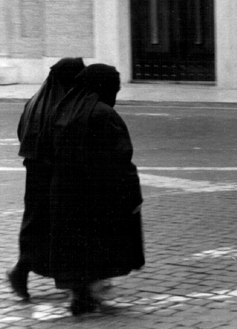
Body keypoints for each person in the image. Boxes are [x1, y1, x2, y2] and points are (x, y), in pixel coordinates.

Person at [43, 64, 144, 315]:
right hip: (99, 195)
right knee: (99, 244)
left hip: (64, 193)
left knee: (76, 247)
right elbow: (120, 159)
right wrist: (132, 195)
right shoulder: (103, 114)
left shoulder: (61, 109)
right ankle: (90, 293)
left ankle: (81, 293)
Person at [6, 58, 86, 300]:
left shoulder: (35, 102)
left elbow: (23, 134)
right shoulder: (63, 106)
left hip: (36, 176)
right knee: (62, 228)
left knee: (37, 227)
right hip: (56, 177)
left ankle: (23, 272)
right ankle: (76, 285)